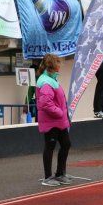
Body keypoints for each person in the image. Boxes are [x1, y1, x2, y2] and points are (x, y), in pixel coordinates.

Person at [36, 54, 72, 187]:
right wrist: (60, 113)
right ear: (52, 66)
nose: (59, 66)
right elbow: (46, 103)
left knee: (66, 144)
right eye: (58, 63)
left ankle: (60, 174)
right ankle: (48, 177)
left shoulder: (52, 79)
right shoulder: (46, 81)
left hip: (59, 120)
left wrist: (62, 114)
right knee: (50, 147)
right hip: (52, 121)